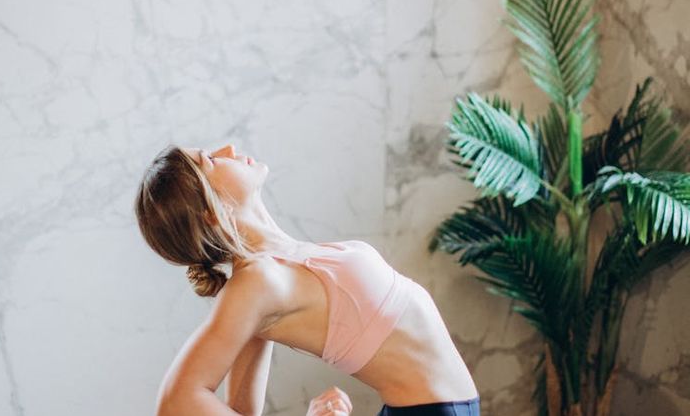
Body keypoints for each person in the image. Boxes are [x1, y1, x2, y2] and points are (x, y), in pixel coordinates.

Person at [134, 143, 480, 416]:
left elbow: (241, 409)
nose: (228, 149)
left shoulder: (278, 263)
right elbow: (176, 401)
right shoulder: (258, 281)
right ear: (211, 212)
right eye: (210, 159)